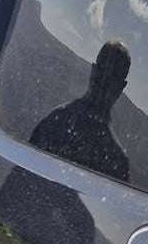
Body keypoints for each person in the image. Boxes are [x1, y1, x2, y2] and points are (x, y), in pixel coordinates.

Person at [30, 41, 132, 180]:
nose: (103, 82)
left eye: (111, 76)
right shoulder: (117, 159)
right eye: (103, 72)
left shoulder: (55, 122)